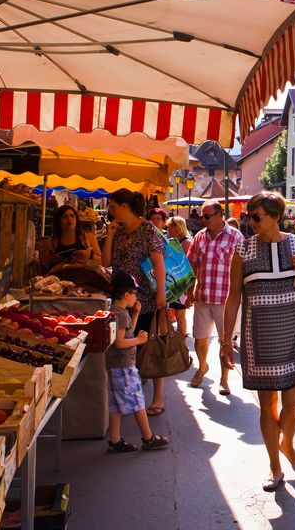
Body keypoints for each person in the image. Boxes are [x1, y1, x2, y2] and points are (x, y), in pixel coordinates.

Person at [222, 191, 295, 491]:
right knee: (268, 406)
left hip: (292, 335)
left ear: (275, 217)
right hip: (258, 339)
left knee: (292, 407)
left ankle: (287, 444)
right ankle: (275, 467)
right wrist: (227, 340)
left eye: (256, 217)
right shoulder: (242, 251)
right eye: (249, 216)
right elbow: (233, 297)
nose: (250, 222)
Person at [103, 189, 170, 416]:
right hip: (122, 302)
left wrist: (161, 294)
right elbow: (107, 262)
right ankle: (133, 396)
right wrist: (110, 236)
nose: (110, 210)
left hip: (146, 298)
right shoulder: (119, 231)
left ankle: (157, 398)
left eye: (112, 206)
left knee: (151, 346)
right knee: (129, 348)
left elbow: (158, 263)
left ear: (124, 206)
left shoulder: (147, 229)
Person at [104, 272, 170, 453]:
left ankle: (115, 440)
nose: (136, 297)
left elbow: (127, 332)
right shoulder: (121, 315)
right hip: (124, 365)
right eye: (134, 294)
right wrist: (139, 341)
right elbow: (119, 342)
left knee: (116, 405)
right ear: (126, 295)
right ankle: (148, 437)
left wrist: (136, 314)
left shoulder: (116, 312)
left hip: (114, 366)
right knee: (137, 401)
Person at [185, 201, 243, 394]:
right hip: (202, 296)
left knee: (224, 341)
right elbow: (192, 264)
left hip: (225, 299)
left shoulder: (236, 237)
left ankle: (224, 379)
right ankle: (203, 367)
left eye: (207, 216)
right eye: (202, 216)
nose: (203, 220)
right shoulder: (199, 237)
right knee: (199, 338)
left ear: (220, 215)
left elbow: (244, 269)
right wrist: (188, 291)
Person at [166, 215, 194, 337]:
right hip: (172, 282)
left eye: (170, 227)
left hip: (181, 285)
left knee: (180, 315)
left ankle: (182, 343)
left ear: (177, 227)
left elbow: (187, 265)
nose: (168, 230)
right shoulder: (172, 241)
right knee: (170, 314)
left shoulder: (186, 242)